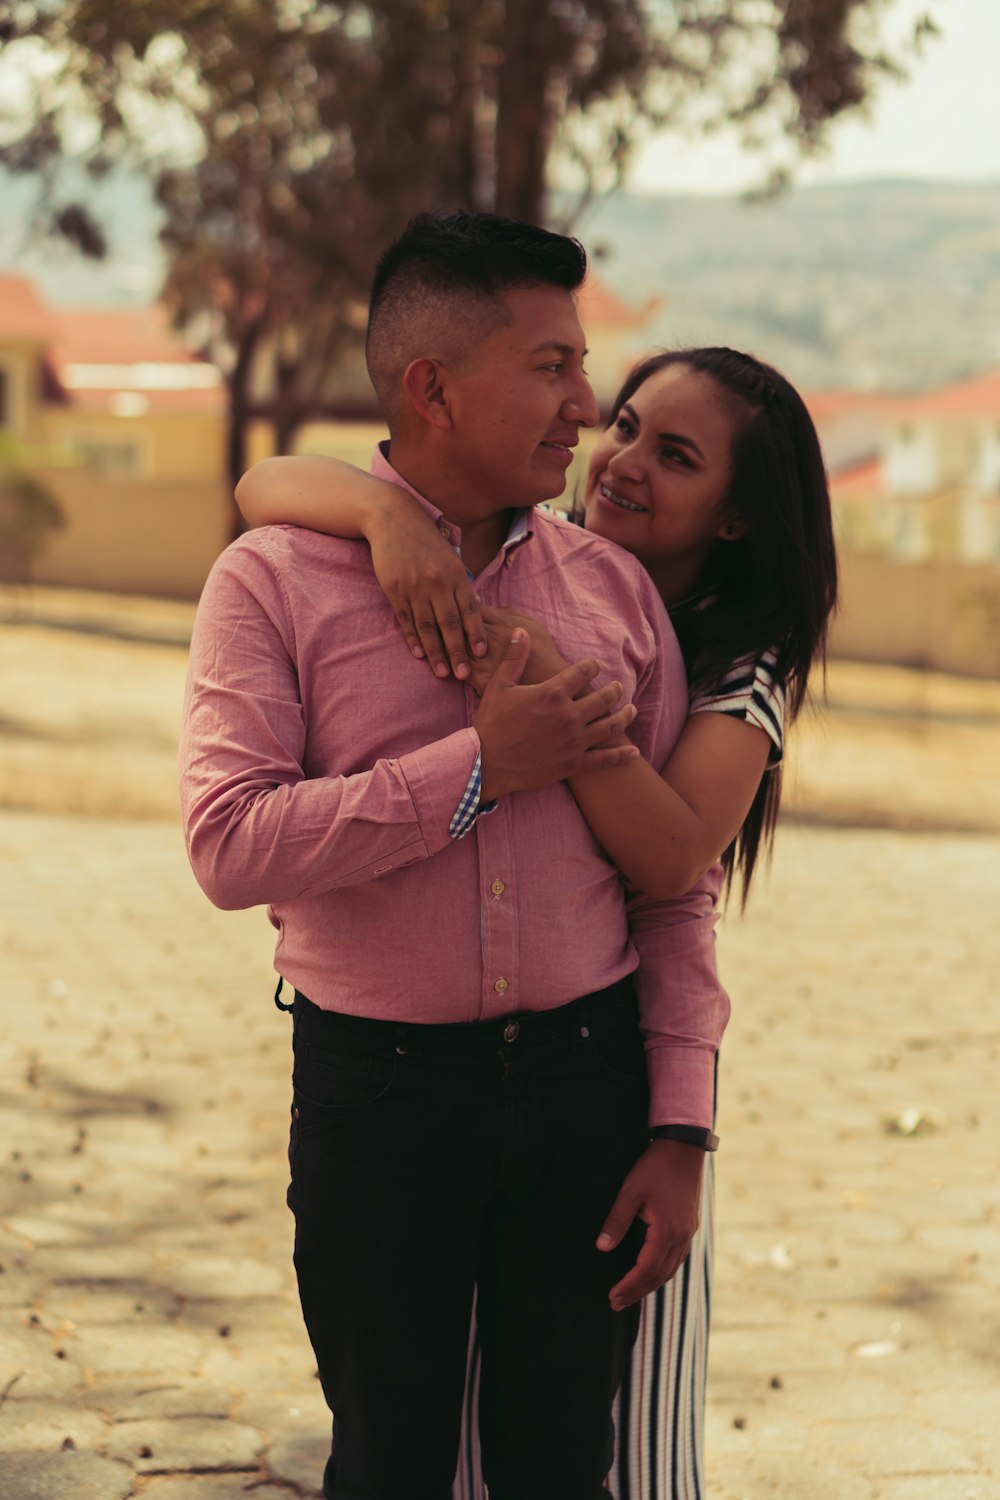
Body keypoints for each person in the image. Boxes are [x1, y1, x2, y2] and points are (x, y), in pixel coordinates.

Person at [180, 211, 730, 1500]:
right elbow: (228, 842)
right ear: (432, 386)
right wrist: (478, 771)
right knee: (387, 1465)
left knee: (557, 1473)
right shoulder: (271, 582)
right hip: (379, 1099)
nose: (586, 409)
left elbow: (673, 894)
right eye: (550, 367)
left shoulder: (615, 594)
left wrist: (678, 1122)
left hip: (584, 1087)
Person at [235, 345, 838, 1498]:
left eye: (676, 455)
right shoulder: (513, 561)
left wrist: (680, 1134)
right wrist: (378, 513)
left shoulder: (733, 669)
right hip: (425, 1100)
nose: (621, 460)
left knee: (618, 1463)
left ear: (735, 522)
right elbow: (263, 484)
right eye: (624, 423)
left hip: (615, 1102)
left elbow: (671, 869)